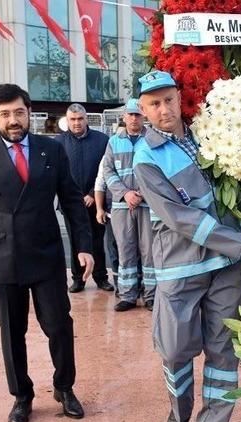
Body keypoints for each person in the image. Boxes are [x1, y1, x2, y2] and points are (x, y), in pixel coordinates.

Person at [132, 70, 241, 422]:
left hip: (227, 268)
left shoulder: (210, 135)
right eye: (154, 103)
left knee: (223, 355)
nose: (164, 109)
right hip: (181, 268)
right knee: (174, 351)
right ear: (143, 110)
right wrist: (237, 241)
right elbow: (179, 217)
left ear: (179, 98)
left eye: (169, 100)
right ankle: (179, 411)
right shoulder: (147, 157)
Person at [0, 84, 93, 422]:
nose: (13, 120)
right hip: (3, 258)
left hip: (46, 254)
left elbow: (72, 200)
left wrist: (83, 245)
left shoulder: (52, 150)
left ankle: (64, 387)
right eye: (5, 114)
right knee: (11, 332)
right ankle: (22, 396)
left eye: (19, 112)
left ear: (28, 113)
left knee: (60, 326)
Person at [101, 99, 156, 312]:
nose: (134, 118)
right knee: (125, 251)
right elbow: (108, 171)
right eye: (130, 115)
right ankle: (127, 295)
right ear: (124, 117)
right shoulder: (114, 141)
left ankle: (151, 295)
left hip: (147, 205)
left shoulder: (152, 139)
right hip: (122, 207)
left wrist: (142, 193)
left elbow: (157, 170)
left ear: (144, 116)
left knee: (149, 251)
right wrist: (125, 194)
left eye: (138, 114)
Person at [57, 103, 113, 294]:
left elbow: (106, 170)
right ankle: (78, 280)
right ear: (67, 121)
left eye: (80, 119)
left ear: (86, 119)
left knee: (97, 240)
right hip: (70, 204)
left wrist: (91, 193)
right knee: (75, 241)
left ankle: (101, 277)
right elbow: (57, 174)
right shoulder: (59, 143)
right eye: (72, 119)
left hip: (95, 201)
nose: (77, 123)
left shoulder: (102, 140)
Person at [94, 162, 120, 298]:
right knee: (114, 251)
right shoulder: (108, 156)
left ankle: (142, 288)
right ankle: (120, 287)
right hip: (113, 213)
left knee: (140, 252)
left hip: (138, 212)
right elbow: (100, 183)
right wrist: (99, 209)